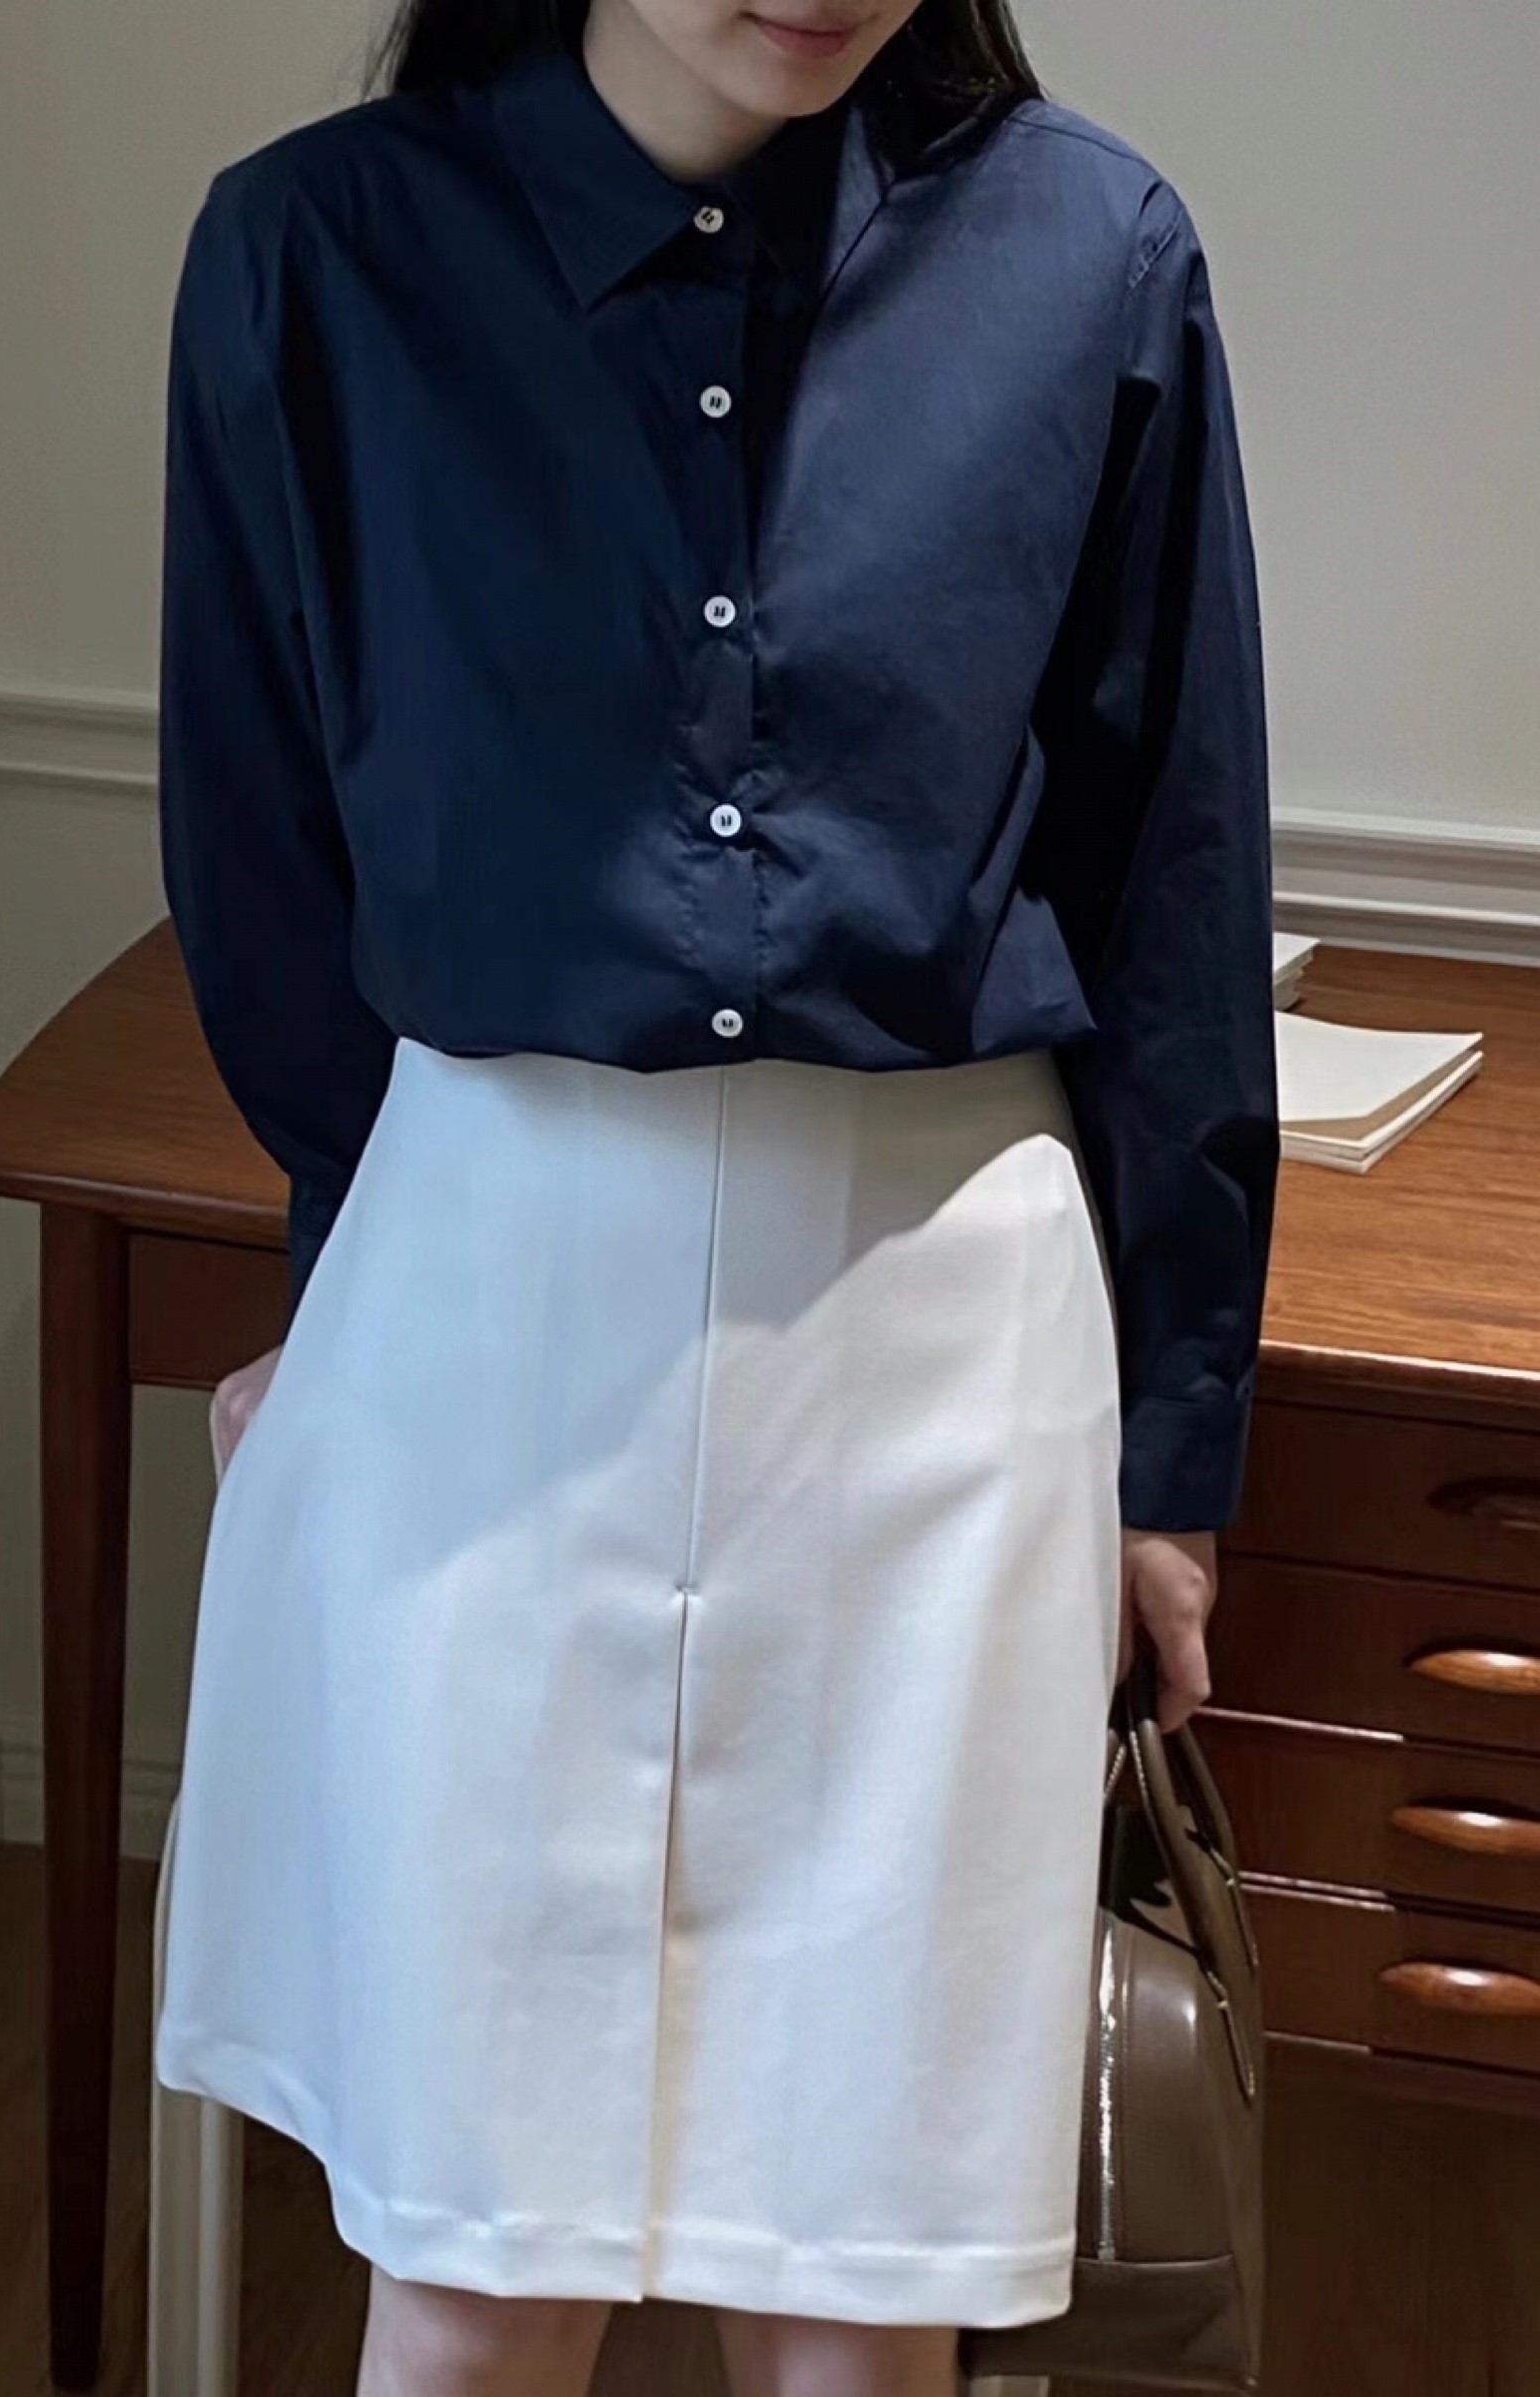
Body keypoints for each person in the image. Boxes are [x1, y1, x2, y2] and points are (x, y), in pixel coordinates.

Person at [152, 1, 1279, 2392]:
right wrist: (350, 1285)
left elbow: (1167, 877)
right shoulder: (314, 255)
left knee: (860, 2287)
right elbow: (263, 853)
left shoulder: (1090, 254)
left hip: (936, 1349)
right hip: (481, 1325)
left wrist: (1171, 1458)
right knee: (469, 2265)